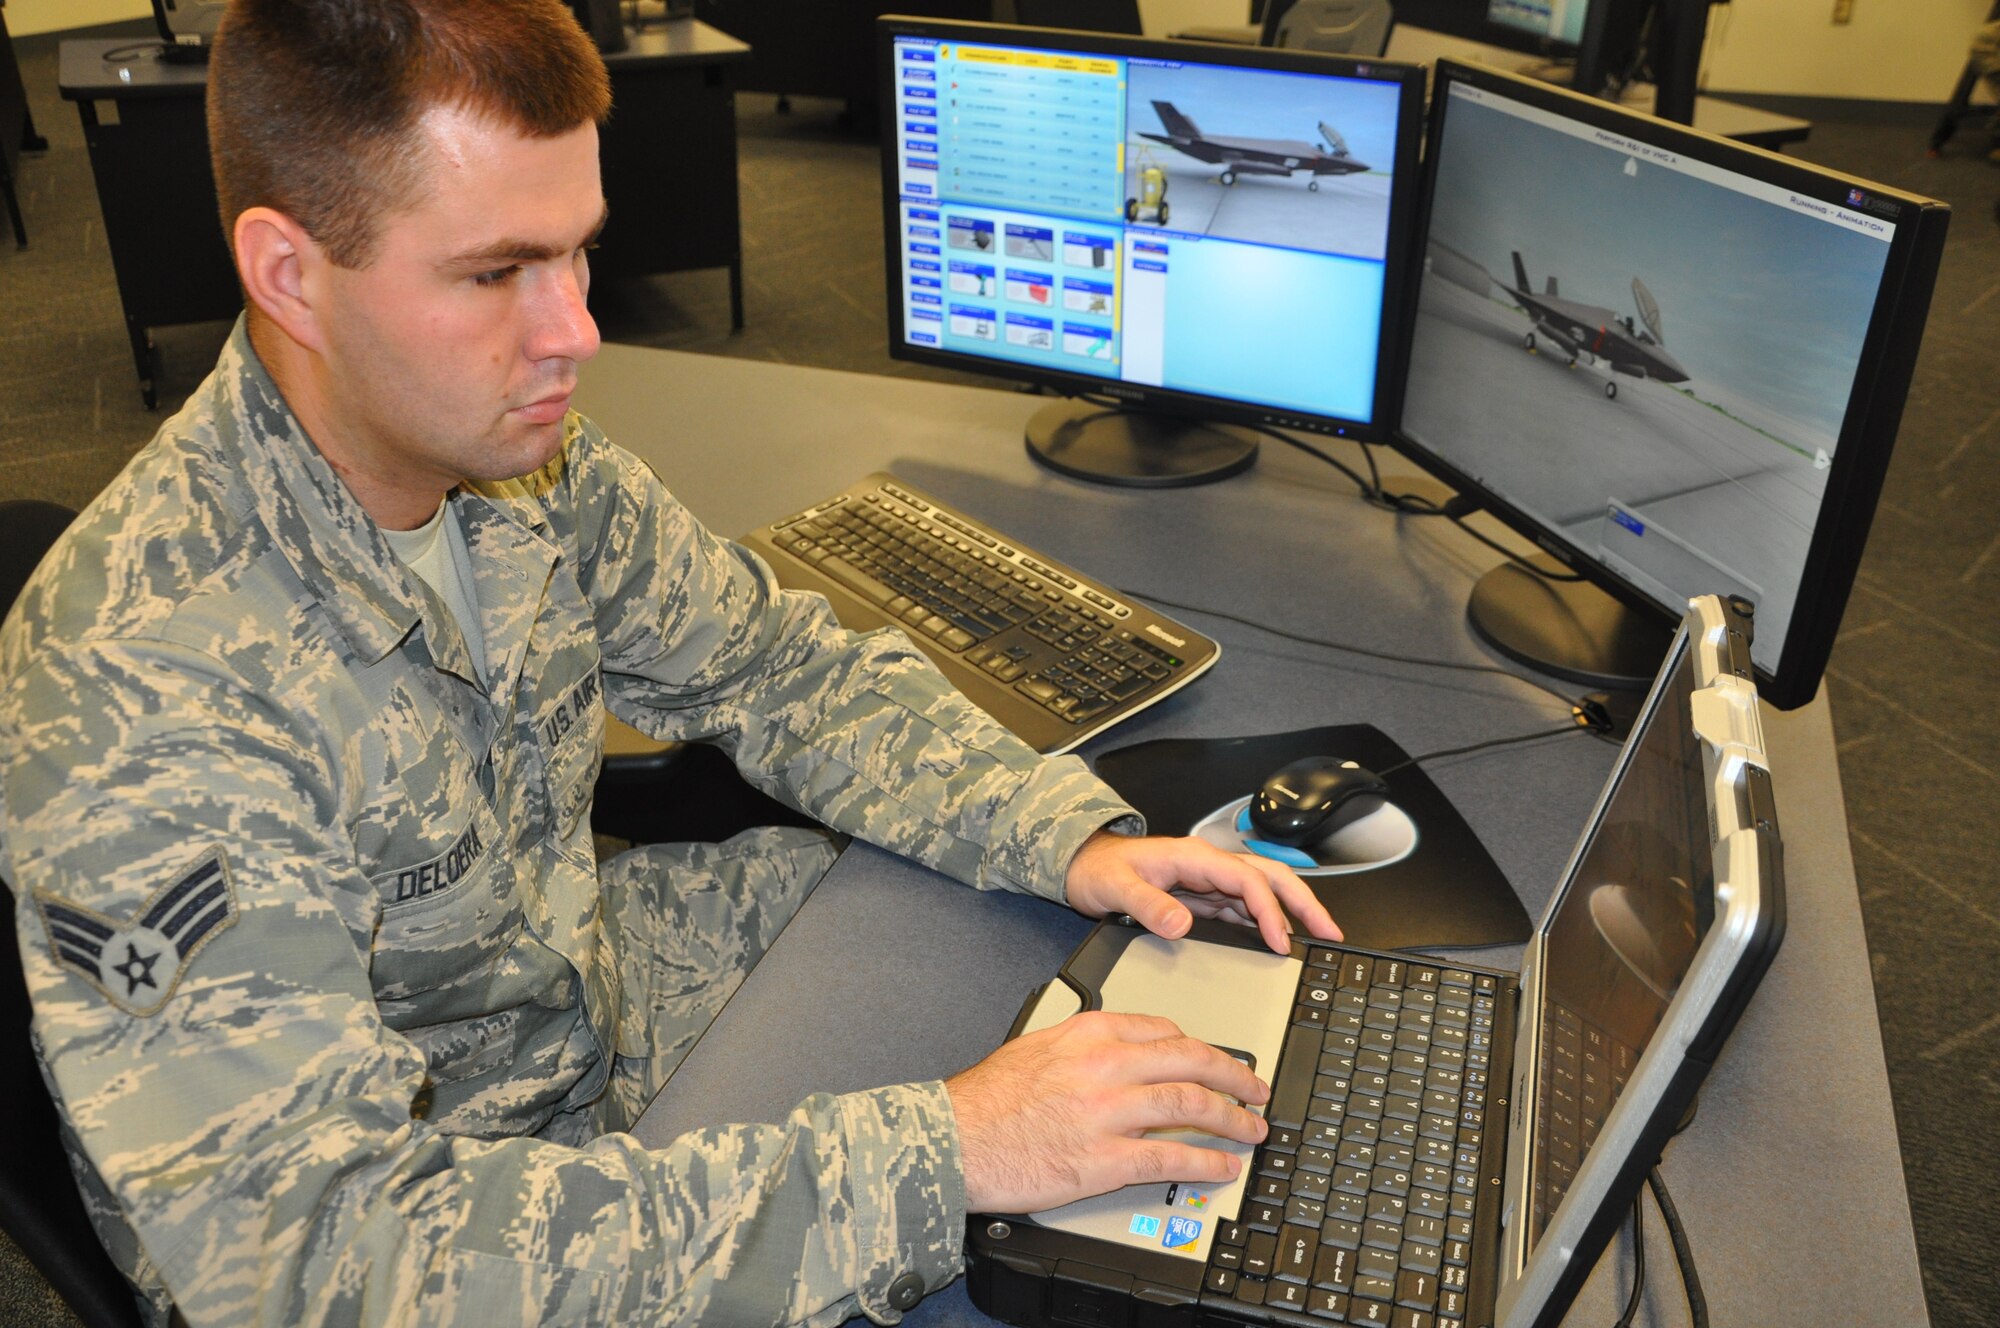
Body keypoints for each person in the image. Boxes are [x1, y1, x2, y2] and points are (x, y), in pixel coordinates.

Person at [0, 2, 1343, 1325]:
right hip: (440, 1215)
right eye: (495, 273)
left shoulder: (510, 462)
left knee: (1014, 937)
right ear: (290, 273)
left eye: (580, 254)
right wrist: (950, 1155)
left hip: (581, 992)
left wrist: (1059, 835)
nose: (574, 332)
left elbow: (771, 667)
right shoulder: (143, 702)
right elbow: (327, 1264)